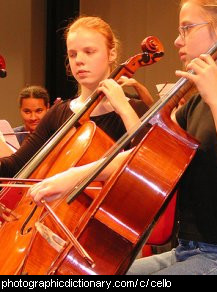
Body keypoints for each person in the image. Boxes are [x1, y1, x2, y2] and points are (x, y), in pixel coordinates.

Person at [28, 0, 217, 275]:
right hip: (186, 251)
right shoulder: (193, 105)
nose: (177, 40)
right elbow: (146, 152)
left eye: (186, 29)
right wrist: (73, 177)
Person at [0, 16, 149, 178]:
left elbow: (147, 163)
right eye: (72, 54)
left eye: (89, 52)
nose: (79, 60)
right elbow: (14, 166)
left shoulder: (135, 109)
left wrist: (124, 109)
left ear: (111, 54)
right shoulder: (58, 113)